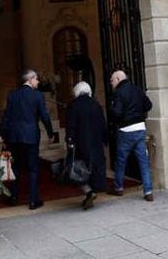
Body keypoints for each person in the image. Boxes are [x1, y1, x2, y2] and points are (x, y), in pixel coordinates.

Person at [0, 69, 58, 210]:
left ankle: (13, 197)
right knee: (33, 168)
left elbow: (6, 116)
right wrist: (51, 133)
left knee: (15, 167)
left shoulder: (12, 95)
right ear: (30, 79)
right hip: (31, 136)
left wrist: (1, 134)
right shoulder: (37, 96)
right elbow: (44, 116)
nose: (38, 81)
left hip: (14, 137)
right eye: (36, 79)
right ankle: (33, 200)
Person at [107, 70, 154, 202]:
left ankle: (118, 188)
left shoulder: (118, 93)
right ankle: (148, 191)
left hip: (126, 130)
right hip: (140, 128)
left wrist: (115, 117)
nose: (111, 83)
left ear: (117, 79)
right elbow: (148, 105)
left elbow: (116, 112)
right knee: (143, 161)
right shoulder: (137, 89)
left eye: (112, 80)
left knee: (121, 161)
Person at [65, 81, 108, 210]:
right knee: (93, 167)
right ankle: (93, 190)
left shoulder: (74, 105)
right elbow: (102, 124)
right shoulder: (96, 105)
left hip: (81, 143)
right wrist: (105, 139)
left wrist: (69, 140)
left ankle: (88, 191)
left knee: (78, 169)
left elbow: (71, 125)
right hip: (96, 143)